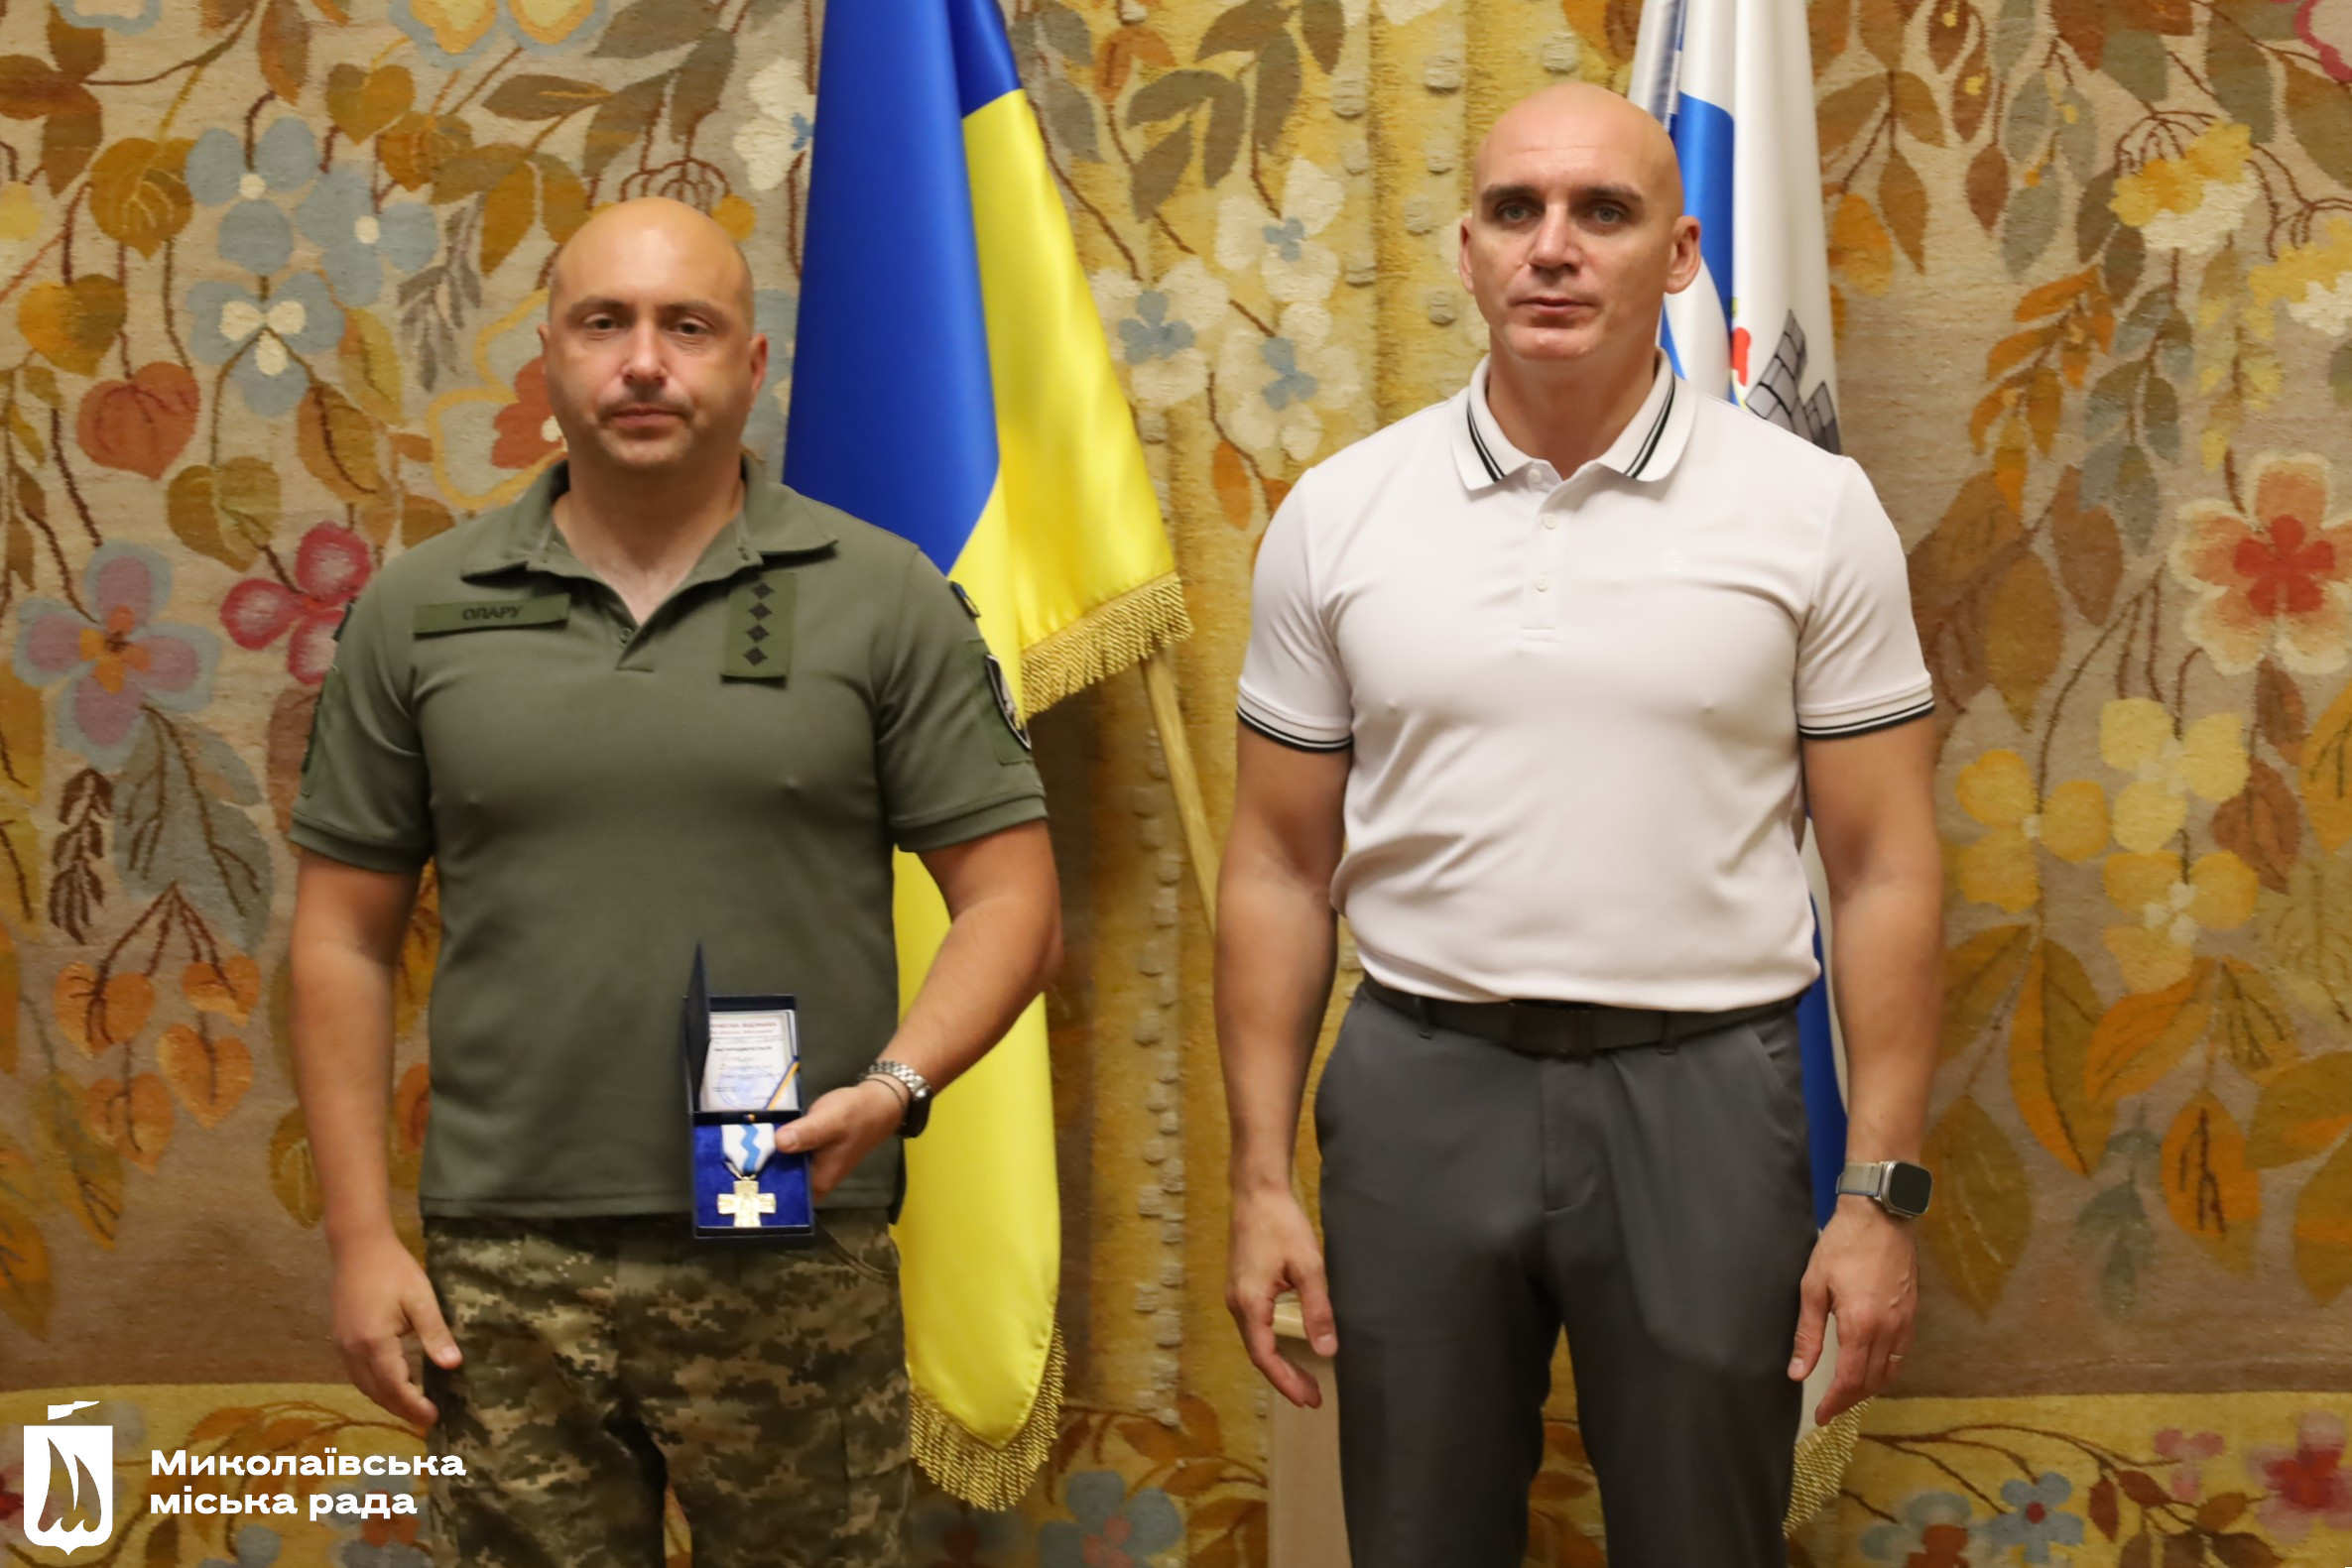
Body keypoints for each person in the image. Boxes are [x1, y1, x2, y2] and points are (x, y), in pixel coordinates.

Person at [1216, 82, 1942, 1566]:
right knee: (1415, 1540)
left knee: (1705, 1541)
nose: (1553, 247)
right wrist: (1258, 1177)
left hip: (1706, 1099)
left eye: (1601, 212)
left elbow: (1883, 870)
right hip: (1421, 1092)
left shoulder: (1812, 511)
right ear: (1467, 249)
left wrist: (1878, 1197)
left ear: (1678, 255)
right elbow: (1279, 866)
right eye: (1515, 211)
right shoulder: (1339, 515)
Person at [288, 196, 1060, 1568]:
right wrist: (360, 1238)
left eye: (687, 326)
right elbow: (342, 938)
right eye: (606, 323)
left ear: (751, 366)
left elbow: (1014, 901)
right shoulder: (417, 611)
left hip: (791, 1237)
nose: (644, 361)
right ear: (547, 358)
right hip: (505, 1263)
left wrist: (898, 1087)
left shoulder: (884, 597)